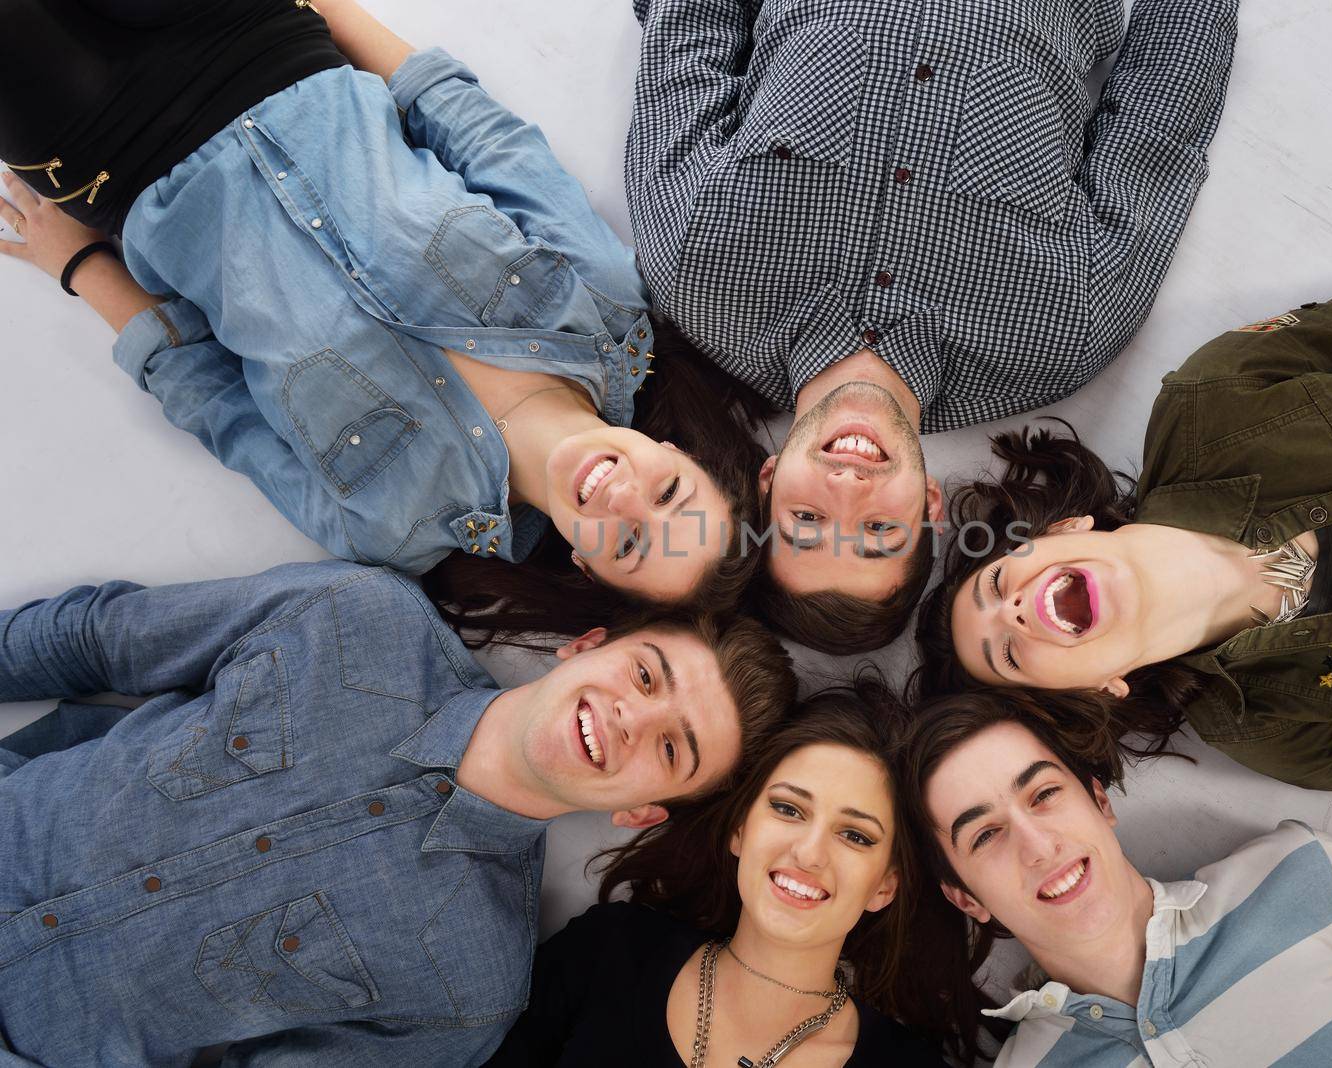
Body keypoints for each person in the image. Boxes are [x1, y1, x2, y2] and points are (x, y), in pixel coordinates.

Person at [0, 0, 758, 615]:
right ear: (676, 455)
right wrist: (329, 8)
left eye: (628, 544)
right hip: (256, 40)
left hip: (112, 156)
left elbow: (216, 403)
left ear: (591, 571)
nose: (626, 497)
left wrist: (77, 265)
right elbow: (478, 135)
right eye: (668, 494)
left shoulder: (388, 528)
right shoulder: (605, 307)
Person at [0, 560, 796, 1066]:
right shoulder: (356, 617)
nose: (632, 718)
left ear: (643, 814)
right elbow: (97, 638)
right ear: (584, 647)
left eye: (672, 749)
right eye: (646, 676)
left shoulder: (471, 990)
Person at [625, 0, 1240, 651]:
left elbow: (690, 32)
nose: (846, 490)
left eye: (807, 520)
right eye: (877, 534)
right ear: (928, 506)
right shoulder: (1060, 334)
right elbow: (1160, 130)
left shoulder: (694, 271)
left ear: (769, 480)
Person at [917, 274, 1332, 801]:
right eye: (1005, 652)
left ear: (1065, 529)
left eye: (998, 581)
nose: (1010, 611)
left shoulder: (1205, 399)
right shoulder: (1274, 729)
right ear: (1099, 689)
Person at [903, 691, 1332, 1067]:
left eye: (1043, 794)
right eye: (985, 835)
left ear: (1100, 802)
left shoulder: (1307, 878)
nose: (1037, 844)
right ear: (965, 896)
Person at [490, 682, 982, 1067]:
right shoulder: (610, 950)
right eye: (788, 809)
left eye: (855, 836)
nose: (809, 853)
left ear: (885, 885)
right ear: (740, 830)